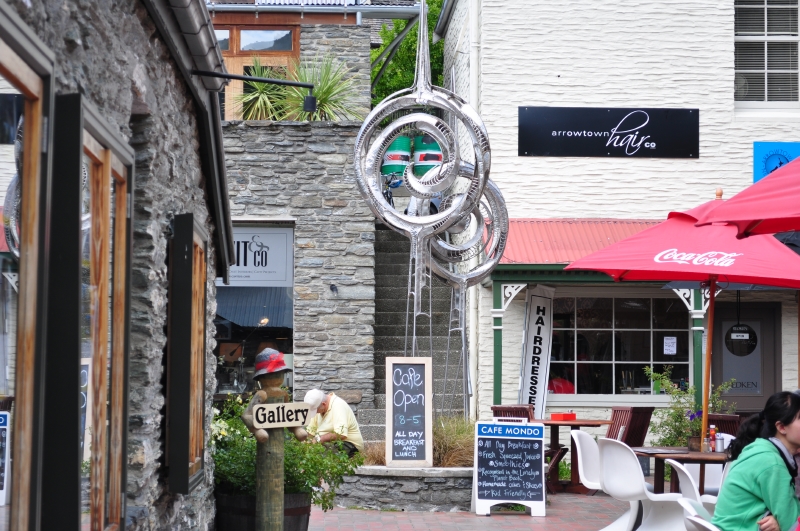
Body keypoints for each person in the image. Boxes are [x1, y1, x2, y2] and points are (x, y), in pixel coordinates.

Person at [712, 392, 800, 531]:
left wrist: (777, 518)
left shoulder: (761, 449)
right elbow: (792, 523)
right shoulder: (772, 463)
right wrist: (781, 520)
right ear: (782, 427)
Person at [300, 389, 363, 457]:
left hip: (349, 445)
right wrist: (305, 443)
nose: (315, 413)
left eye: (315, 411)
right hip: (327, 443)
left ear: (323, 404)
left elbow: (341, 434)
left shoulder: (338, 405)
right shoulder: (318, 407)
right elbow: (310, 432)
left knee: (322, 454)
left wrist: (318, 439)